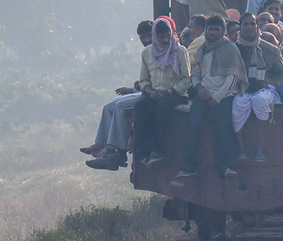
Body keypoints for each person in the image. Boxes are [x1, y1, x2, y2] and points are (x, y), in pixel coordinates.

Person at [173, 14, 248, 184]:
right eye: (210, 29)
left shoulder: (230, 49)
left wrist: (217, 97)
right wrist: (199, 88)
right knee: (193, 126)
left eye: (216, 29)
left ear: (223, 31)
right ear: (205, 30)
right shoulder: (202, 49)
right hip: (203, 95)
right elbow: (196, 73)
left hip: (224, 97)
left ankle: (227, 167)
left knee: (223, 129)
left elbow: (233, 77)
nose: (213, 32)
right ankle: (188, 168)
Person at [83, 20, 153, 171]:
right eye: (143, 37)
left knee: (121, 106)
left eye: (149, 36)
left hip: (154, 93)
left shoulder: (163, 50)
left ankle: (115, 152)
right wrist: (134, 88)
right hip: (145, 90)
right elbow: (145, 79)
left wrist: (135, 89)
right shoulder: (148, 52)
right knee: (111, 105)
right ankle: (101, 144)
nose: (146, 40)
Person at [134, 18, 191, 167]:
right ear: (155, 36)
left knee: (161, 107)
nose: (165, 40)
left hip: (176, 93)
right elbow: (144, 80)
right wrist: (150, 91)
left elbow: (187, 80)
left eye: (168, 36)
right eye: (161, 37)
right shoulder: (147, 52)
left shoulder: (180, 51)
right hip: (154, 93)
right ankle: (144, 152)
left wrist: (169, 91)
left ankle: (158, 151)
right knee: (140, 106)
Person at [232, 12, 283, 151]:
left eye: (252, 24)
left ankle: (260, 147)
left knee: (261, 100)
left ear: (257, 27)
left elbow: (282, 73)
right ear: (240, 27)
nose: (249, 27)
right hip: (242, 89)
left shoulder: (270, 49)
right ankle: (241, 148)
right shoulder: (233, 49)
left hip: (264, 89)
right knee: (237, 105)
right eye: (246, 24)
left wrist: (269, 82)